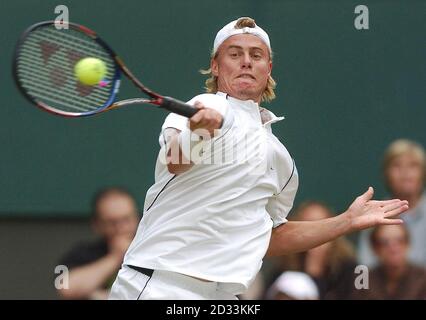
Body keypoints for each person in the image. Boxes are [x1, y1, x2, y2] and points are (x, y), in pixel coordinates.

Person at [109, 17, 409, 300]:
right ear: (215, 66)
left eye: (256, 55)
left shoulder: (280, 159)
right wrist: (198, 132)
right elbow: (174, 161)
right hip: (158, 285)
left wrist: (346, 221)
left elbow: (271, 236)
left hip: (223, 294)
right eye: (234, 53)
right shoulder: (203, 105)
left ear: (268, 68)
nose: (246, 62)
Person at [57, 187, 140, 300]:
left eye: (126, 220)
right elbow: (64, 288)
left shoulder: (152, 251)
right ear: (97, 224)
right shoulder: (82, 253)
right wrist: (116, 257)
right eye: (112, 223)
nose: (121, 228)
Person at [266, 201, 358, 299]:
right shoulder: (285, 265)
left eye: (322, 223)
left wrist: (315, 271)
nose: (316, 232)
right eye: (308, 225)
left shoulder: (348, 269)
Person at [358, 139, 426, 267]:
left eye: (413, 165)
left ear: (423, 173)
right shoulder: (373, 215)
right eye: (397, 165)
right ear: (386, 173)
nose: (405, 172)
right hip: (381, 286)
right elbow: (364, 269)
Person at [352, 224, 426, 299]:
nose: (393, 248)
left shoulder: (422, 278)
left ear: (408, 244)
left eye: (400, 241)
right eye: (385, 243)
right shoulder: (364, 279)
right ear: (374, 248)